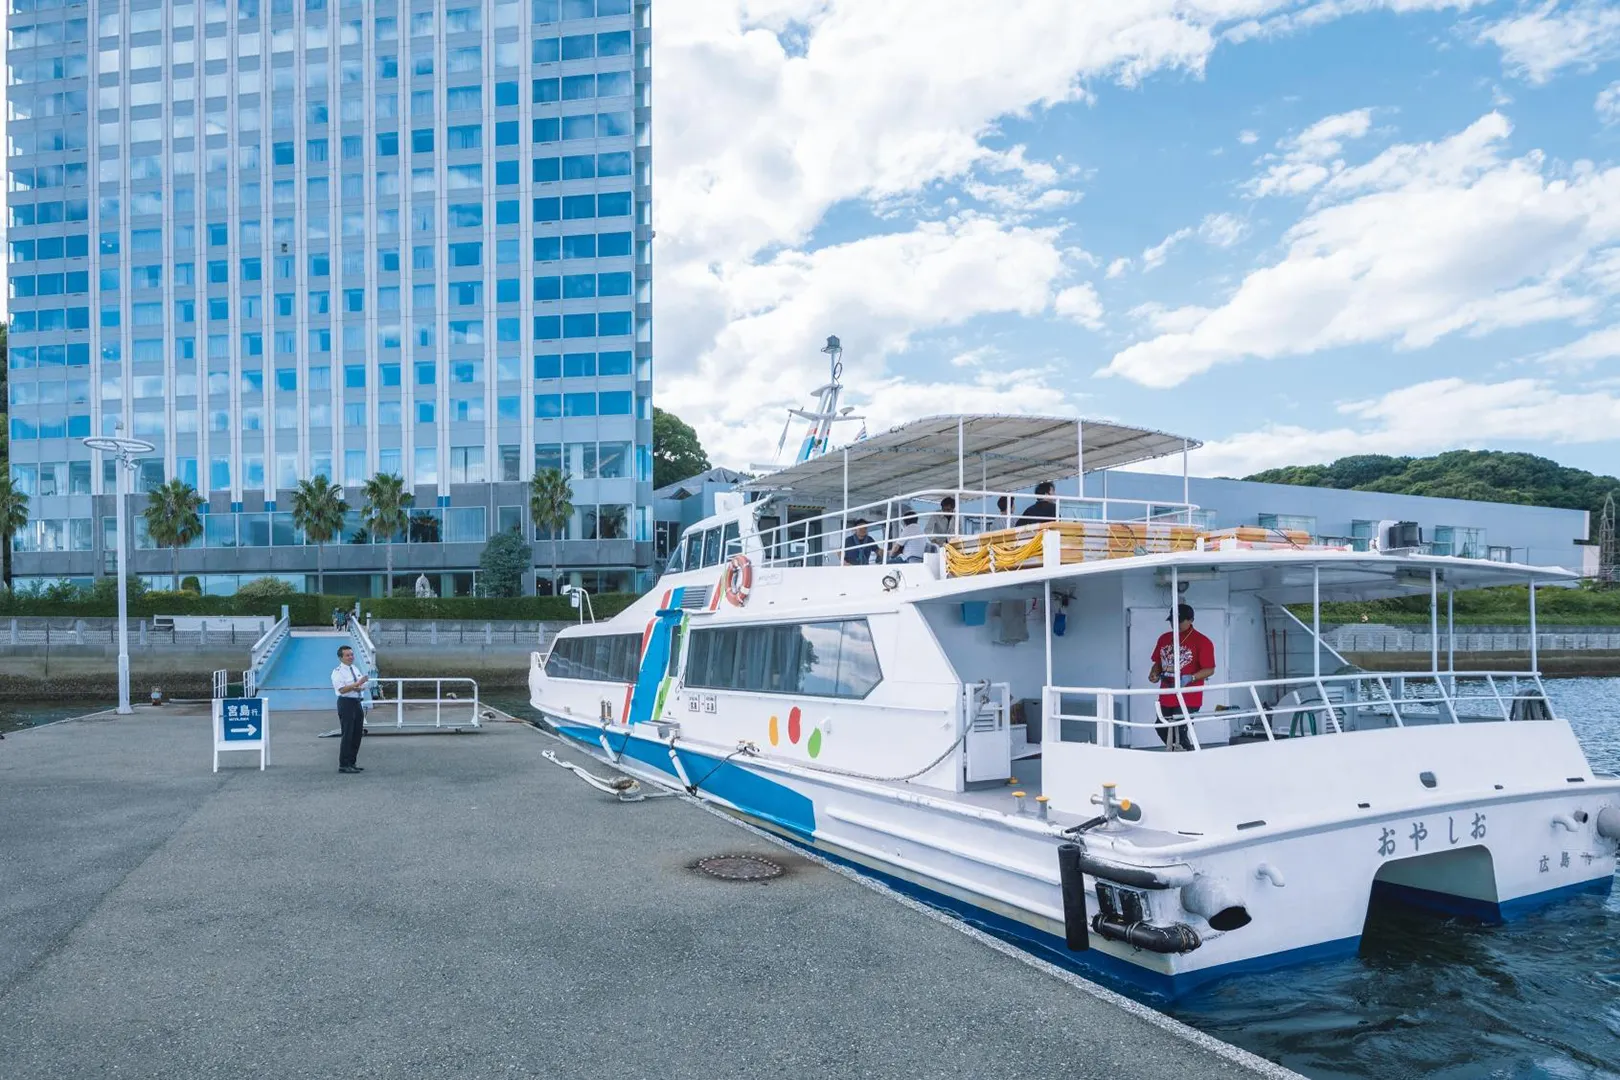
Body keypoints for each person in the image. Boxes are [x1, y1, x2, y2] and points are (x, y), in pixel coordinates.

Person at [1148, 603, 1216, 751]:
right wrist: (1154, 673)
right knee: (1161, 727)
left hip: (1189, 696)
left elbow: (1210, 669)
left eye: (1179, 621)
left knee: (1180, 730)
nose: (1175, 624)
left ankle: (1186, 754)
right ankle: (1177, 752)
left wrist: (1191, 677)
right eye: (1172, 620)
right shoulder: (1164, 638)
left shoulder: (1202, 641)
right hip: (1167, 693)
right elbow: (1158, 662)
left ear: (1191, 620)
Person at [331, 644, 369, 774]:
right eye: (347, 655)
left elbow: (356, 685)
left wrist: (360, 687)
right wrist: (357, 684)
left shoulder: (355, 668)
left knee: (357, 734)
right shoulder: (338, 672)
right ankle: (344, 764)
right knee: (347, 734)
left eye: (351, 654)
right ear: (341, 657)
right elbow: (342, 689)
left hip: (357, 702)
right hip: (346, 703)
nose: (350, 657)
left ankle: (352, 762)